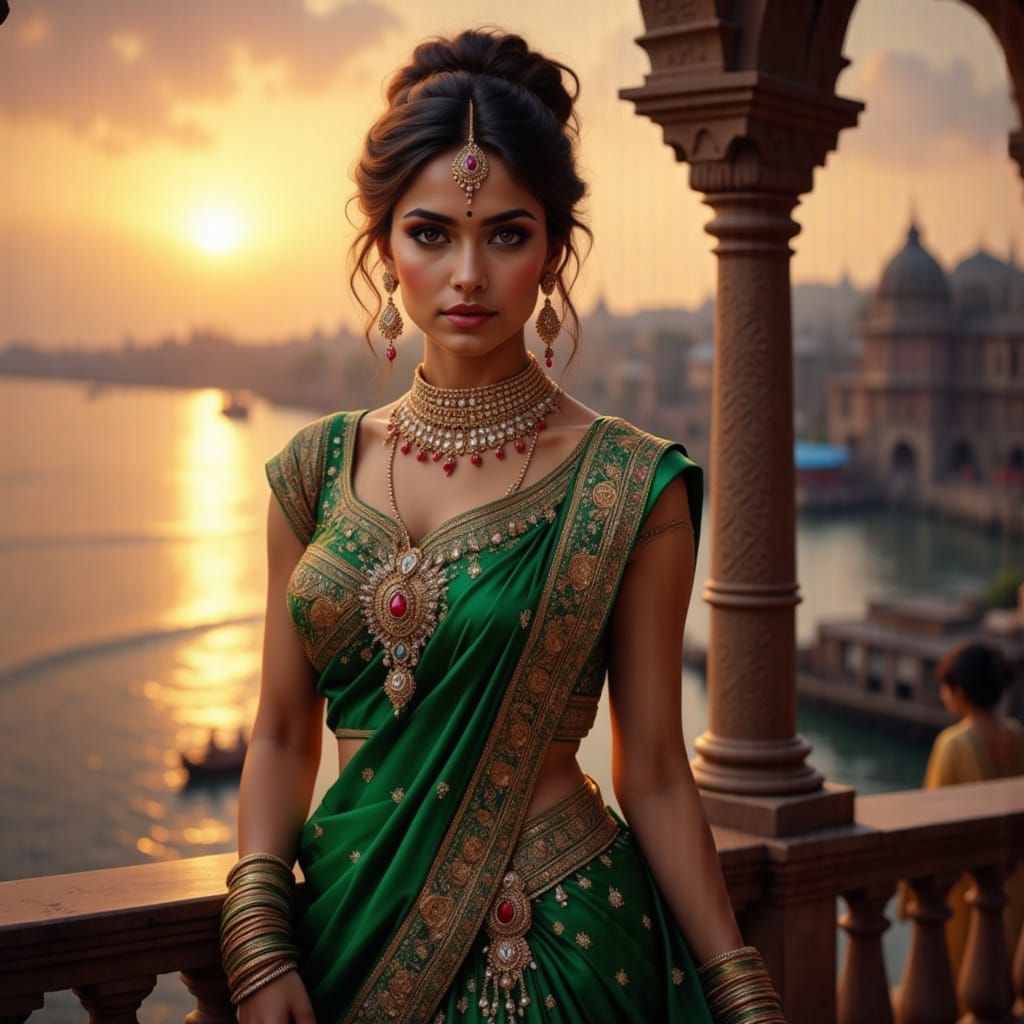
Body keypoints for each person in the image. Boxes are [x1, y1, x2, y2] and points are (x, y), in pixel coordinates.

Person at [219, 29, 786, 1024]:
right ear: (383, 244)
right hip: (347, 936)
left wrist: (738, 987)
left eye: (507, 234)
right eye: (431, 233)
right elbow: (277, 729)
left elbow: (652, 767)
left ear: (553, 251)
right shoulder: (314, 471)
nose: (467, 273)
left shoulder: (626, 484)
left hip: (554, 948)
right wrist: (260, 941)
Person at [920, 641, 1024, 978]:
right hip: (1016, 879)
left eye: (945, 687)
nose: (942, 695)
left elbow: (929, 823)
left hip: (967, 890)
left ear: (960, 691)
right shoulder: (1018, 736)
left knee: (967, 975)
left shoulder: (953, 743)